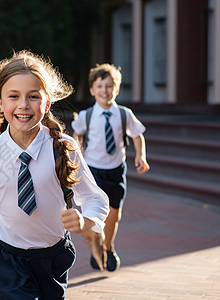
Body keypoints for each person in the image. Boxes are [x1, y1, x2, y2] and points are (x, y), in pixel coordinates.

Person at [0, 50, 109, 300]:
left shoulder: (63, 147)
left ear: (47, 103)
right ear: (0, 101)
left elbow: (96, 199)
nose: (23, 105)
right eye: (14, 96)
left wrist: (86, 221)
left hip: (53, 258)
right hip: (6, 258)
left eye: (33, 97)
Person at [71, 63, 150, 272]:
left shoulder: (124, 114)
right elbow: (76, 134)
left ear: (116, 89)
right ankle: (96, 248)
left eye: (109, 86)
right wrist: (77, 143)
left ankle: (109, 247)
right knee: (95, 213)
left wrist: (141, 155)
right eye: (100, 86)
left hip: (116, 171)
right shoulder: (87, 116)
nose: (105, 91)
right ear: (92, 90)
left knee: (114, 215)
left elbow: (137, 135)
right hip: (93, 172)